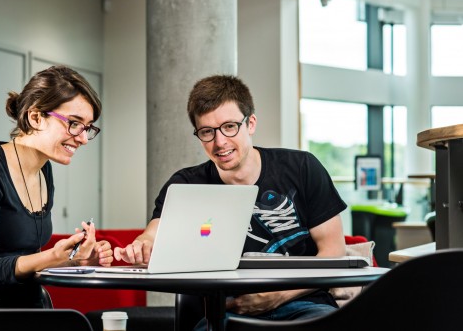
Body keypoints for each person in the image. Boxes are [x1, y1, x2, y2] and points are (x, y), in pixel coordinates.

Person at [114, 74, 347, 326]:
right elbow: (153, 234)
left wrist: (276, 296)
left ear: (251, 123)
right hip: (226, 312)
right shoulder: (186, 184)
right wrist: (142, 244)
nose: (219, 142)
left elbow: (333, 252)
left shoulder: (302, 167)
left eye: (229, 126)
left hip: (306, 305)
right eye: (207, 132)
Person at [0, 65, 113, 308]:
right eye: (74, 124)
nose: (83, 139)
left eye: (88, 128)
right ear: (35, 117)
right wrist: (52, 257)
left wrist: (75, 260)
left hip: (29, 306)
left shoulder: (44, 169)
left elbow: (26, 262)